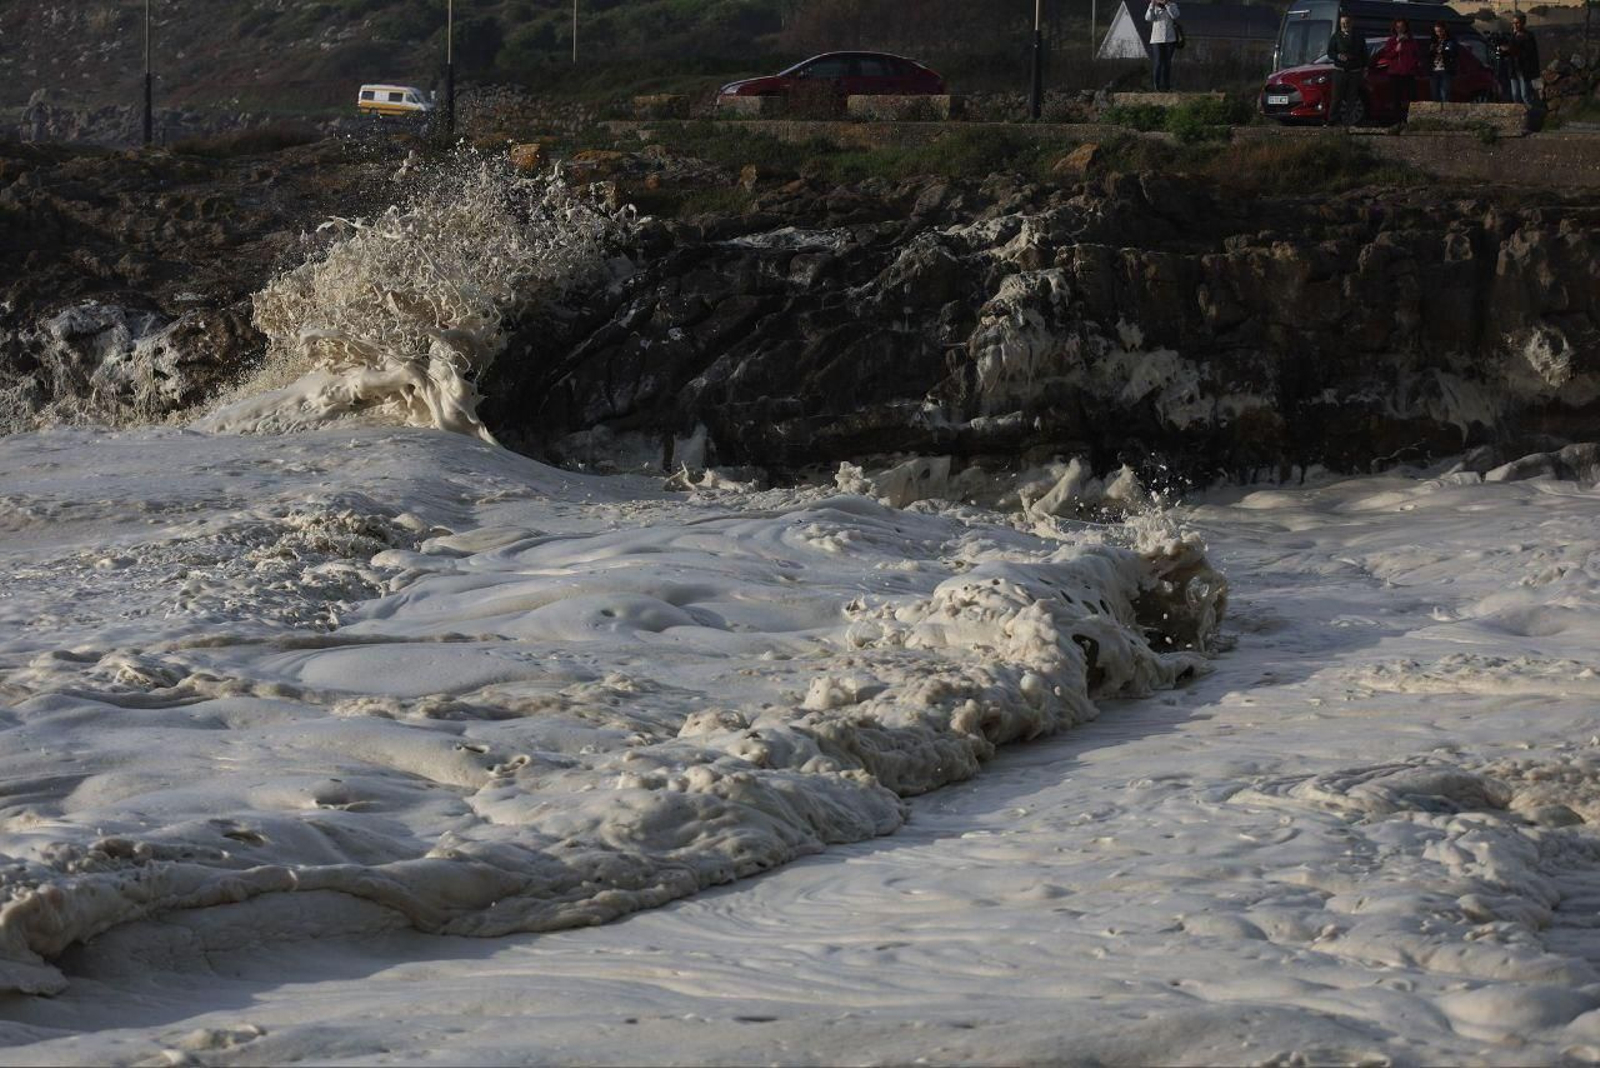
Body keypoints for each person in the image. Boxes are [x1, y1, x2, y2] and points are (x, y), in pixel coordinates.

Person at [1374, 18, 1425, 124]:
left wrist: (1413, 66)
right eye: (1398, 27)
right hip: (1395, 74)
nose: (1400, 29)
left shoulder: (1411, 41)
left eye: (1402, 26)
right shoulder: (1391, 41)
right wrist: (1396, 49)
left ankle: (1412, 120)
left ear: (1406, 28)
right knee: (1396, 98)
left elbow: (1416, 56)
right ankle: (1396, 121)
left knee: (1411, 98)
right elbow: (1387, 55)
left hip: (1408, 73)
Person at [1325, 13, 1369, 126]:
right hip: (1339, 71)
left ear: (1352, 23)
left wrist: (1365, 68)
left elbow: (1364, 53)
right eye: (1343, 23)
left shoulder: (1359, 37)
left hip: (1354, 72)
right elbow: (1330, 52)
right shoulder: (1336, 36)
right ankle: (1332, 121)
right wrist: (1338, 56)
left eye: (1347, 23)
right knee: (1336, 98)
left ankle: (1348, 122)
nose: (1345, 25)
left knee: (1352, 98)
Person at [1146, 0, 1181, 92]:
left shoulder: (1172, 5)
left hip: (1170, 39)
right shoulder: (1154, 7)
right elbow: (1149, 18)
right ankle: (1156, 86)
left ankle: (1166, 86)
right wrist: (1152, 5)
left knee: (1167, 63)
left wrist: (1166, 4)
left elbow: (1175, 15)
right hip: (1156, 39)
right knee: (1158, 63)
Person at [1506, 14, 1540, 106]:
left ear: (1522, 23)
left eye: (1517, 23)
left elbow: (1529, 53)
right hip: (1514, 69)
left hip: (1524, 70)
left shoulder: (1528, 36)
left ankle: (1533, 114)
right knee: (1515, 95)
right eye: (1513, 23)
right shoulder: (1512, 36)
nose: (1515, 25)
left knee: (1525, 95)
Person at [1428, 21, 1459, 103]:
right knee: (1435, 95)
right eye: (1436, 31)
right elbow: (1428, 54)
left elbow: (1452, 52)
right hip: (1434, 70)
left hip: (1445, 70)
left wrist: (1443, 51)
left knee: (1445, 95)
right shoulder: (1433, 40)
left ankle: (1445, 113)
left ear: (1444, 30)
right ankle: (1437, 113)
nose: (1438, 33)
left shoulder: (1450, 40)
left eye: (1440, 31)